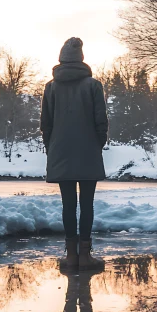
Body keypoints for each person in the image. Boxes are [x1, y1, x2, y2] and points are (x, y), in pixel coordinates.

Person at [40, 37, 108, 270]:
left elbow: (46, 124)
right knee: (87, 204)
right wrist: (97, 144)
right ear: (81, 58)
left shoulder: (51, 87)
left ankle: (71, 256)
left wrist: (52, 148)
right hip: (88, 151)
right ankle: (85, 256)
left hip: (60, 151)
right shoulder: (93, 85)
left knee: (68, 204)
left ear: (61, 59)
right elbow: (101, 121)